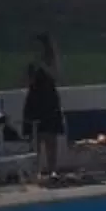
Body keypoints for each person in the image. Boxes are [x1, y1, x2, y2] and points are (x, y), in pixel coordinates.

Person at [23, 33, 66, 179]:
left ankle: (52, 169)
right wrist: (31, 71)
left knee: (51, 137)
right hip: (35, 101)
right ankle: (37, 169)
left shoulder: (52, 60)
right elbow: (26, 82)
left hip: (49, 100)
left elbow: (58, 77)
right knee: (36, 136)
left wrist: (43, 66)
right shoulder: (32, 63)